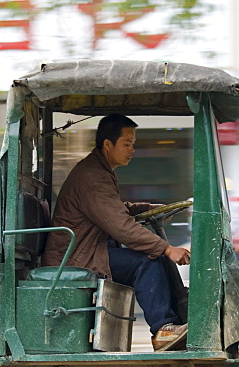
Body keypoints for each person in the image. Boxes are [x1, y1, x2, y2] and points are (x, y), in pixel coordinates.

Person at [41, 114, 191, 351]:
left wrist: (150, 209)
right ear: (108, 145)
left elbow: (116, 210)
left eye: (133, 144)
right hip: (78, 258)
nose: (132, 150)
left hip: (89, 251)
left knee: (154, 257)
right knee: (148, 262)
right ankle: (163, 330)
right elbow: (120, 226)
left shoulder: (100, 171)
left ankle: (177, 323)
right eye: (127, 144)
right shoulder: (92, 177)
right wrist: (166, 248)